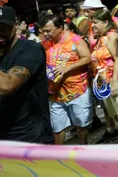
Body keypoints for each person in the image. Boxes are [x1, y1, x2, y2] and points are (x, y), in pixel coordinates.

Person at [0, 7, 53, 143]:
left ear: (15, 26)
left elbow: (6, 86)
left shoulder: (31, 50)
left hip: (31, 141)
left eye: (4, 27)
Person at [40, 13, 93, 145]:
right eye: (43, 31)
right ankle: (59, 154)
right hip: (54, 93)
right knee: (57, 127)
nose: (45, 34)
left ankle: (83, 149)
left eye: (48, 31)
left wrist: (67, 68)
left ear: (60, 28)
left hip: (77, 90)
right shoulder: (45, 43)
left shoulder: (75, 40)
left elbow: (87, 58)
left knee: (81, 125)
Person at [89, 9, 118, 143]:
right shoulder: (100, 38)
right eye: (92, 22)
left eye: (96, 22)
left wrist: (115, 82)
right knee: (115, 111)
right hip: (105, 79)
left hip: (117, 75)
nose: (93, 25)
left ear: (105, 22)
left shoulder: (112, 36)